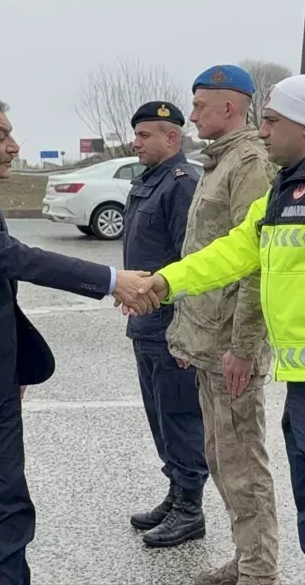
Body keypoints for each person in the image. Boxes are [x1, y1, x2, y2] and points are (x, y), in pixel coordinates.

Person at [0, 92, 157, 585]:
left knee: (11, 505)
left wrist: (13, 366)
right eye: (1, 135)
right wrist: (111, 281)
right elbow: (15, 259)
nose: (14, 145)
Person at [136, 74, 305, 585]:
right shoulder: (282, 188)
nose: (262, 131)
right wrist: (163, 283)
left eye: (271, 121)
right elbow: (231, 252)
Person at [167, 65, 280, 585]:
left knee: (242, 462)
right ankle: (245, 557)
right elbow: (204, 257)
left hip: (232, 346)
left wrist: (243, 345)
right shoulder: (220, 161)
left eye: (199, 105)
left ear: (229, 108)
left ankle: (260, 571)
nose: (191, 115)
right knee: (220, 456)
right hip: (209, 341)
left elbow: (255, 261)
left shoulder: (250, 164)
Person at [121, 100, 210, 549]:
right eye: (135, 135)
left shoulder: (181, 185)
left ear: (171, 138)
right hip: (145, 324)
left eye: (144, 135)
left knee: (180, 417)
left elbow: (191, 265)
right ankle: (176, 494)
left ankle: (190, 508)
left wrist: (184, 333)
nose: (135, 143)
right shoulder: (149, 182)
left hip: (170, 328)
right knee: (160, 417)